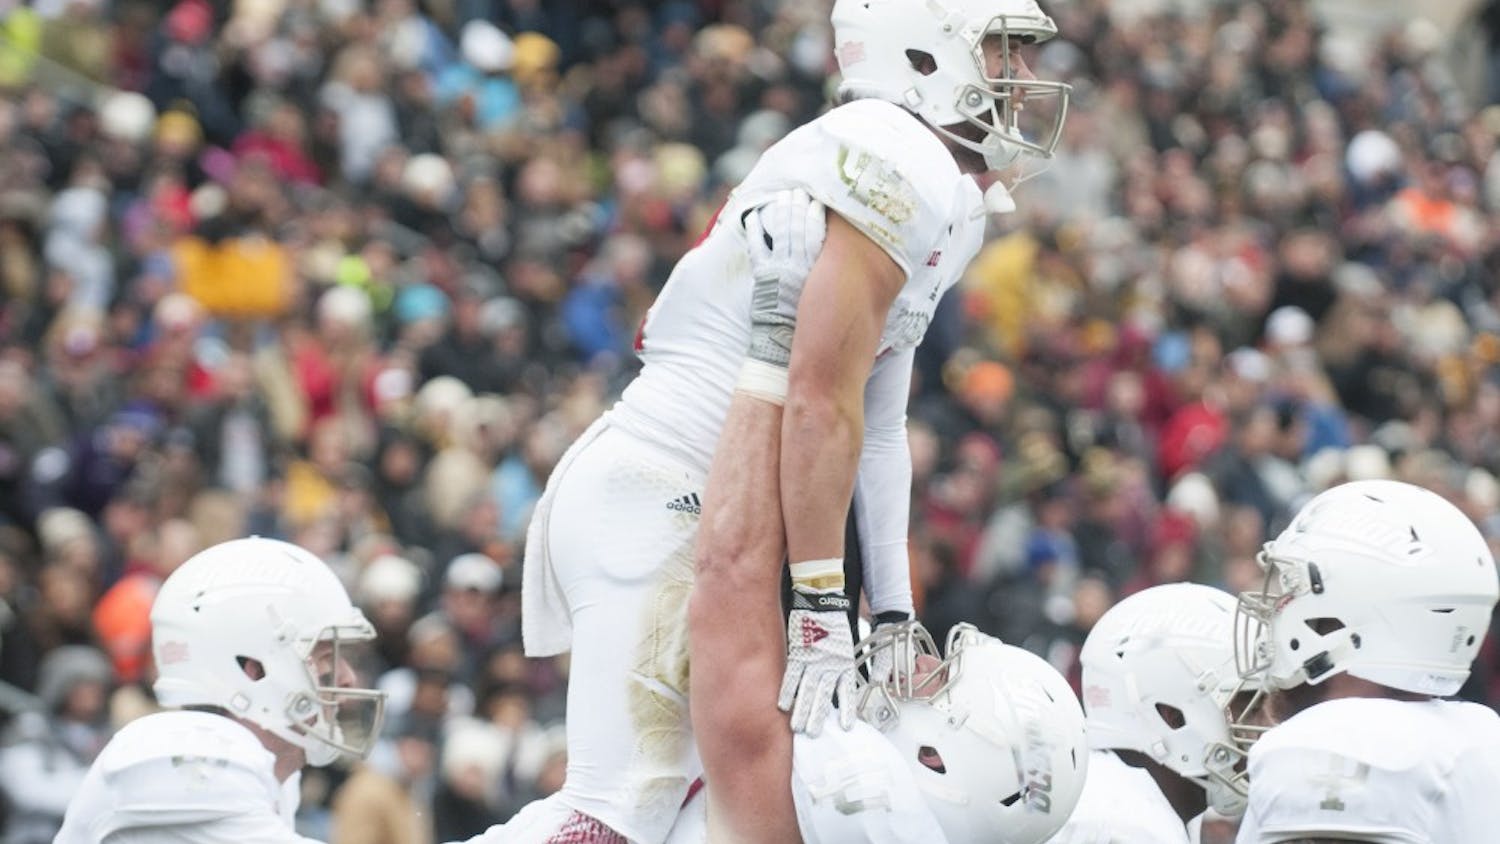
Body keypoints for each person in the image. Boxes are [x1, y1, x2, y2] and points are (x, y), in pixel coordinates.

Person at [503, 0, 1071, 839]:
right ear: (920, 54)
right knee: (617, 812)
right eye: (1002, 50)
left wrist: (891, 610)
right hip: (664, 487)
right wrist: (819, 604)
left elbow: (878, 421)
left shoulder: (952, 196)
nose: (1020, 78)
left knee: (691, 811)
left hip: (720, 506)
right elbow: (816, 399)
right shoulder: (893, 155)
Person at [55, 537, 387, 843]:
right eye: (327, 658)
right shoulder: (183, 752)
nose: (347, 679)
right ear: (252, 668)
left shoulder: (274, 775)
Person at [1230, 480, 1500, 843]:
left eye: (1290, 590)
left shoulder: (1331, 740)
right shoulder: (1479, 734)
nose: (1276, 608)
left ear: (1343, 616)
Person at [660, 620, 1088, 844]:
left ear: (938, 759)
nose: (920, 663)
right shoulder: (922, 822)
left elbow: (721, 626)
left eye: (940, 677)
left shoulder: (863, 788)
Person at [1051, 583, 1258, 844]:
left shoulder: (1131, 799)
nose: (1262, 723)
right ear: (1172, 717)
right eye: (1244, 705)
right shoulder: (1122, 828)